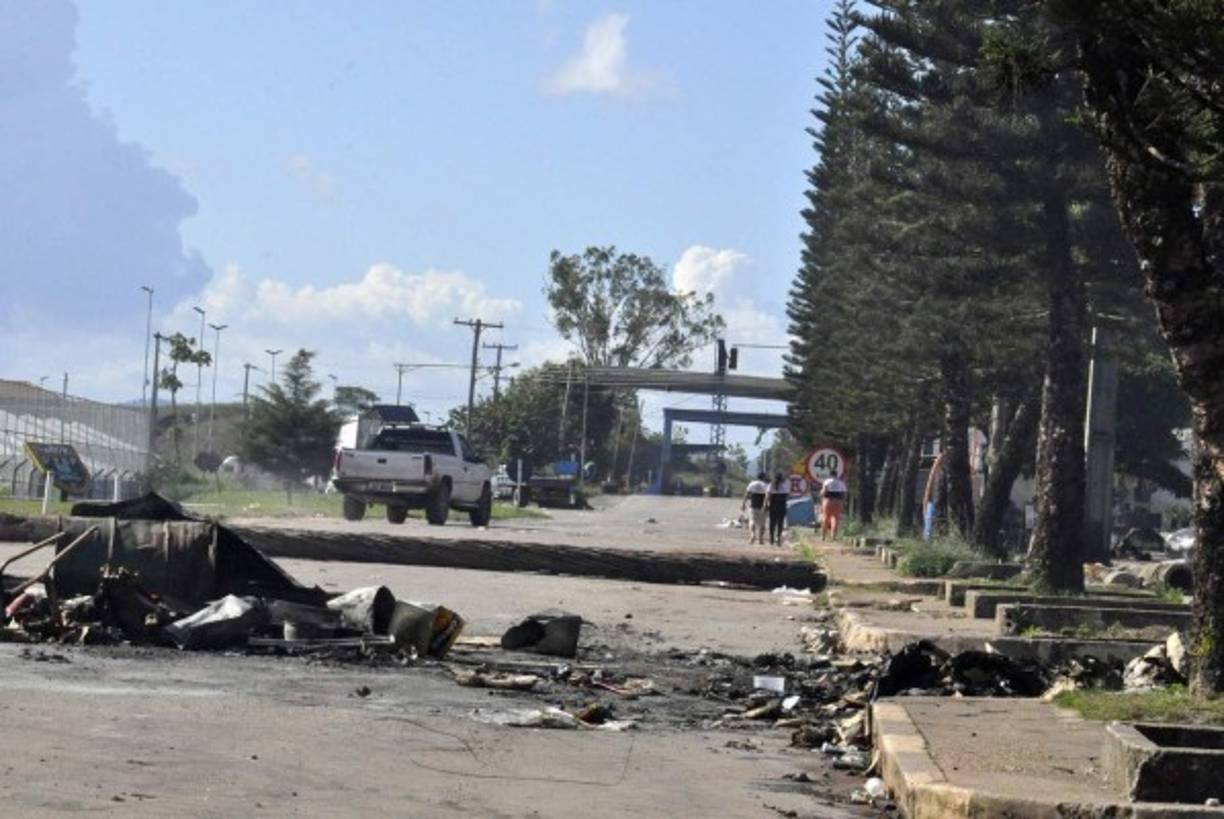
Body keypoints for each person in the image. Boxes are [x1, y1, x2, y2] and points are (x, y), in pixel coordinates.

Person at [742, 471, 770, 545]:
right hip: (763, 506)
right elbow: (767, 496)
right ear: (764, 477)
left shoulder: (752, 484)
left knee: (752, 521)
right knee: (762, 523)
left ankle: (752, 535)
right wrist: (765, 504)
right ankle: (760, 538)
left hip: (753, 505)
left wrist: (743, 504)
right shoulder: (766, 485)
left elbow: (747, 494)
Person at [820, 470, 848, 541]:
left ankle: (823, 536)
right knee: (835, 518)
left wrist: (821, 495)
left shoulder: (827, 481)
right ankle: (833, 536)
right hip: (838, 501)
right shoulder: (841, 482)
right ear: (836, 475)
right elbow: (844, 494)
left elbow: (824, 491)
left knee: (825, 517)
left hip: (828, 500)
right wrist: (843, 502)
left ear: (830, 475)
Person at [768, 472, 789, 545]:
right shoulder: (785, 485)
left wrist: (766, 505)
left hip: (773, 505)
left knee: (772, 523)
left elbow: (768, 496)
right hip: (782, 506)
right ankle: (778, 537)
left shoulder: (771, 485)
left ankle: (771, 538)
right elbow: (787, 495)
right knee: (780, 523)